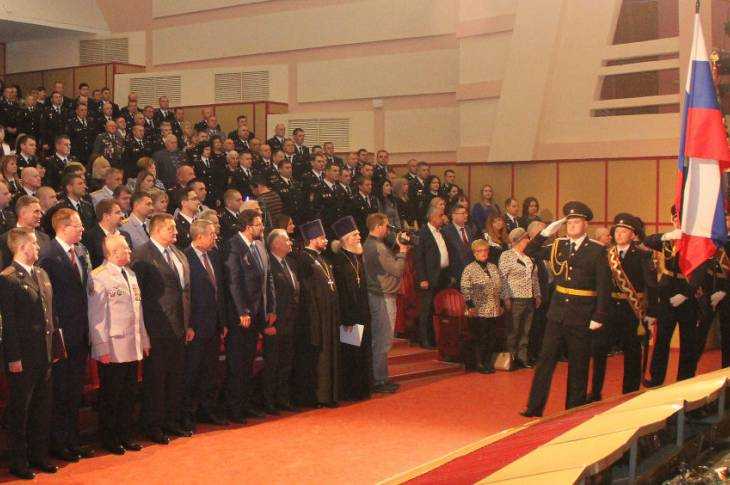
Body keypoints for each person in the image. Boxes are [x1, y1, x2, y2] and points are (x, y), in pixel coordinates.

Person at [520, 201, 611, 418]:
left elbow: (603, 286)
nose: (571, 225)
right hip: (557, 313)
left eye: (576, 222)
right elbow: (530, 251)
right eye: (569, 222)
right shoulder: (558, 245)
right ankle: (534, 407)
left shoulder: (596, 250)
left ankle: (573, 409)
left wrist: (599, 315)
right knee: (545, 361)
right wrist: (545, 233)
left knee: (578, 364)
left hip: (582, 313)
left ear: (585, 225)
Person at [1, 229, 59, 479]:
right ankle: (18, 461)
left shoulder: (41, 273)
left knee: (41, 408)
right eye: (34, 243)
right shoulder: (8, 278)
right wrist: (13, 357)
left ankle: (39, 455)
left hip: (44, 353)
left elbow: (51, 314)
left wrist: (56, 347)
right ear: (22, 247)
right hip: (23, 357)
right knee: (20, 411)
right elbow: (9, 323)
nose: (38, 247)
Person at [38, 209, 94, 463]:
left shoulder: (80, 252)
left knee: (74, 391)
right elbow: (48, 301)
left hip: (80, 332)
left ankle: (72, 440)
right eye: (77, 225)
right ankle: (58, 443)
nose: (82, 229)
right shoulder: (49, 255)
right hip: (62, 335)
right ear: (62, 227)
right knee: (60, 392)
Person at [132, 213, 192, 443]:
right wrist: (143, 331)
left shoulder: (178, 253)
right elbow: (138, 296)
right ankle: (152, 425)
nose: (176, 232)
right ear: (156, 230)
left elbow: (186, 291)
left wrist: (188, 323)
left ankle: (171, 421)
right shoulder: (142, 255)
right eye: (171, 228)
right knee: (155, 380)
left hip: (179, 327)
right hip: (156, 328)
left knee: (175, 378)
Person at [87, 234, 149, 455]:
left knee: (128, 394)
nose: (130, 251)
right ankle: (109, 438)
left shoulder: (130, 274)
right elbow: (97, 316)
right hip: (113, 347)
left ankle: (125, 434)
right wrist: (101, 347)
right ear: (113, 252)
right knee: (111, 396)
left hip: (132, 344)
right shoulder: (99, 277)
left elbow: (138, 311)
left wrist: (144, 338)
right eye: (125, 248)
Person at [589, 213, 657, 402]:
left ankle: (630, 393)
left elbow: (651, 285)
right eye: (616, 231)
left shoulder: (643, 255)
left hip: (631, 310)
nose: (618, 234)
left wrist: (651, 312)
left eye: (624, 231)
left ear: (633, 235)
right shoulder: (605, 254)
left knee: (632, 353)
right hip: (608, 309)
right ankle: (595, 392)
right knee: (599, 351)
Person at [225, 209, 276, 422]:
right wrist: (242, 311)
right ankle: (234, 409)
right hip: (242, 316)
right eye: (258, 224)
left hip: (258, 313)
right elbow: (234, 282)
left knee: (249, 362)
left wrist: (271, 307)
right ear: (247, 226)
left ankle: (246, 404)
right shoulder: (233, 246)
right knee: (238, 363)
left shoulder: (259, 246)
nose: (262, 227)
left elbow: (268, 278)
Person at [644, 206, 700, 386]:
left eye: (681, 217)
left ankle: (685, 378)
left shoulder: (696, 241)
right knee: (662, 339)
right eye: (675, 217)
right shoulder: (667, 240)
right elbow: (647, 240)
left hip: (687, 291)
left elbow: (701, 271)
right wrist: (667, 236)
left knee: (688, 340)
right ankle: (656, 377)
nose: (678, 220)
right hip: (667, 292)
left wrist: (686, 293)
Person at [182, 219, 228, 429]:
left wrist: (223, 321)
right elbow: (186, 296)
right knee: (192, 373)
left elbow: (220, 291)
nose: (215, 237)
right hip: (196, 327)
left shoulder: (214, 256)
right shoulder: (185, 257)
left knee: (211, 372)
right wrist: (189, 325)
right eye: (211, 234)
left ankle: (207, 410)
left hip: (214, 325)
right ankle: (187, 415)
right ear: (199, 236)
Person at [363, 213, 408, 393]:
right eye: (386, 226)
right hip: (382, 295)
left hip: (378, 293)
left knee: (380, 339)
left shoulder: (369, 244)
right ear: (378, 227)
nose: (388, 229)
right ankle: (379, 380)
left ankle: (380, 377)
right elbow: (397, 270)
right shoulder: (378, 247)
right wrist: (402, 251)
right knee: (383, 339)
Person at [330, 216, 373, 401]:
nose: (359, 237)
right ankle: (351, 391)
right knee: (351, 354)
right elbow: (342, 293)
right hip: (349, 318)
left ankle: (364, 388)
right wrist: (347, 318)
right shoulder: (340, 261)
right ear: (346, 238)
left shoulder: (357, 258)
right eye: (355, 234)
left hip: (362, 314)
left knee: (363, 352)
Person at [298, 219, 340, 407]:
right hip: (317, 316)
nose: (326, 241)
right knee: (320, 357)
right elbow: (307, 291)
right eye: (322, 238)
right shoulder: (304, 259)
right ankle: (319, 396)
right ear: (312, 238)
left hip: (330, 315)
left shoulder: (323, 258)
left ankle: (331, 395)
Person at [266, 229, 301, 412]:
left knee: (286, 363)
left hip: (290, 322)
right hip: (275, 323)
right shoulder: (268, 264)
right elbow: (266, 295)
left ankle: (283, 399)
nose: (290, 243)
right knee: (272, 365)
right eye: (286, 240)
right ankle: (269, 401)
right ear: (276, 244)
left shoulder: (291, 263)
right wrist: (267, 323)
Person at [499, 227, 541, 369]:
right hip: (515, 298)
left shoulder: (529, 257)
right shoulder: (507, 255)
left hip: (529, 298)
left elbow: (534, 277)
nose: (528, 241)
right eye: (526, 238)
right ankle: (510, 359)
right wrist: (505, 297)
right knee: (513, 330)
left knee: (526, 330)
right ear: (519, 240)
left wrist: (537, 294)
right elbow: (502, 278)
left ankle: (522, 358)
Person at [461, 239, 503, 374]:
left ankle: (488, 362)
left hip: (494, 308)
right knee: (481, 337)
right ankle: (479, 363)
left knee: (492, 337)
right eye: (480, 251)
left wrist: (501, 303)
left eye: (485, 250)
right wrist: (470, 306)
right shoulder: (469, 269)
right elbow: (465, 288)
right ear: (474, 253)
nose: (483, 253)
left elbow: (500, 286)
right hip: (478, 309)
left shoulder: (493, 267)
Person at [413, 206, 450, 349]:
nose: (443, 218)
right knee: (426, 310)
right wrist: (422, 278)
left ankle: (437, 338)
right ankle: (424, 339)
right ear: (432, 217)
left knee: (438, 309)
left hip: (442, 275)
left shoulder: (442, 232)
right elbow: (418, 258)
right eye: (441, 215)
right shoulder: (421, 233)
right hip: (428, 278)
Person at [442, 204, 476, 286]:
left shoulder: (469, 229)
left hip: (472, 272)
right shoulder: (446, 231)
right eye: (463, 213)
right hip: (456, 274)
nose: (466, 215)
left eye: (466, 213)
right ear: (453, 216)